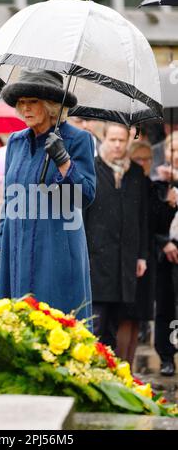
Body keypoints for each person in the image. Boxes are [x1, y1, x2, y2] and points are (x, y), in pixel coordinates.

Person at [0, 68, 96, 318]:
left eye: (32, 102)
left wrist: (63, 161)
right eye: (21, 102)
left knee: (55, 326)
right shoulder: (16, 141)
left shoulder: (78, 139)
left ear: (51, 106)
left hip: (56, 247)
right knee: (18, 327)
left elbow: (85, 196)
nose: (25, 108)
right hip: (16, 248)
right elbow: (9, 201)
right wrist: (0, 252)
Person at [84, 123, 148, 351]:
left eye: (122, 140)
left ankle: (109, 375)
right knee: (95, 323)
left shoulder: (136, 173)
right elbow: (82, 216)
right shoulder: (91, 168)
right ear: (104, 139)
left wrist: (142, 256)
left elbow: (142, 218)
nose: (118, 145)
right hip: (96, 258)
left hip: (125, 261)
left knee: (114, 325)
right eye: (113, 140)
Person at [113, 141, 155, 366]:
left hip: (143, 256)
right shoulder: (128, 177)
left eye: (146, 159)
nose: (143, 163)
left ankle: (128, 366)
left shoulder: (149, 183)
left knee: (136, 316)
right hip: (126, 258)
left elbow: (149, 220)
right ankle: (122, 367)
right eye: (138, 158)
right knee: (124, 315)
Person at [153, 132, 178, 376]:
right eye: (173, 151)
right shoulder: (160, 184)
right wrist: (164, 242)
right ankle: (166, 355)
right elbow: (151, 222)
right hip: (166, 253)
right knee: (165, 306)